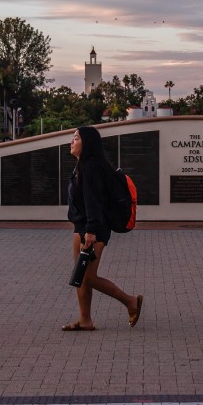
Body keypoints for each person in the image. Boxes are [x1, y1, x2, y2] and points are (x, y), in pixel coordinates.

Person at [63, 126, 142, 331]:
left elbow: (94, 202)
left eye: (76, 138)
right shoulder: (83, 166)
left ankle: (130, 301)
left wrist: (91, 231)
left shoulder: (90, 167)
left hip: (93, 229)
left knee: (87, 276)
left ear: (87, 143)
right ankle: (85, 320)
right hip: (81, 226)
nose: (71, 142)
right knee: (80, 276)